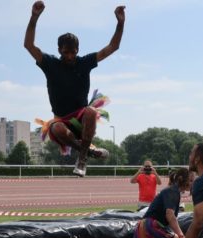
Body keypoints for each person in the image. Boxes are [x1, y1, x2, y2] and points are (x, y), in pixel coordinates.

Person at [24, 1, 126, 177]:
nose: (70, 56)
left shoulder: (84, 62)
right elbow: (29, 45)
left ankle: (82, 159)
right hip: (61, 120)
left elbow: (112, 47)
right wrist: (34, 18)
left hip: (81, 118)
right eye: (66, 52)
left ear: (78, 50)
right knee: (55, 128)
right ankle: (88, 151)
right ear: (59, 50)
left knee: (91, 111)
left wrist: (120, 23)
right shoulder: (50, 64)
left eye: (73, 52)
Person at [133, 168, 192, 238]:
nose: (193, 183)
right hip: (150, 228)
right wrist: (181, 236)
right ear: (182, 180)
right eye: (191, 180)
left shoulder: (173, 190)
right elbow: (170, 216)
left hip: (145, 228)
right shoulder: (173, 191)